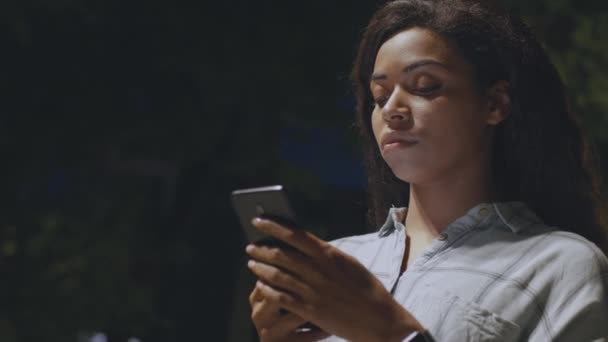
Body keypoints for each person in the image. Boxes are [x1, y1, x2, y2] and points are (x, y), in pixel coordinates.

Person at [245, 0, 608, 340]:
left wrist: (391, 331)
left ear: (495, 103)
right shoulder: (337, 266)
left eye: (425, 86)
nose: (392, 110)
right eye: (380, 96)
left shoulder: (558, 265)